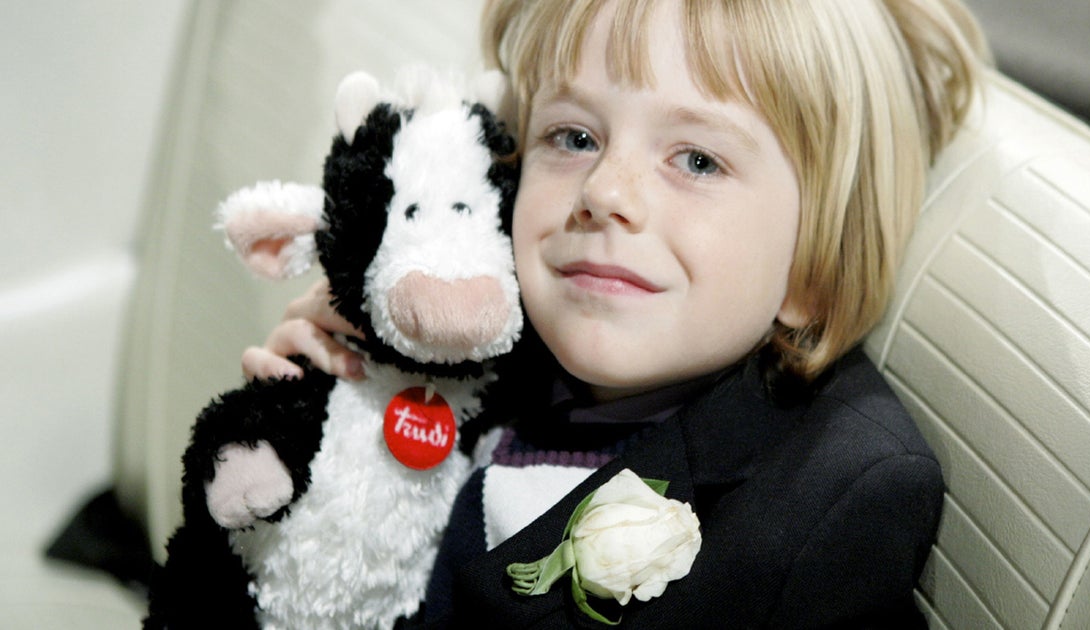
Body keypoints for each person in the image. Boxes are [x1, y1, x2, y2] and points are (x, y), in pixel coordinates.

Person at [242, 0, 988, 626]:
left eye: (697, 160)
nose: (606, 191)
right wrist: (322, 436)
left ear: (816, 262)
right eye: (574, 137)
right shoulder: (475, 340)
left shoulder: (831, 502)